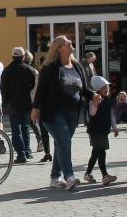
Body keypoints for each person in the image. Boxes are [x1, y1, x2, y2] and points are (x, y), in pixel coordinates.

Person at [32, 35, 94, 191]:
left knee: (61, 144)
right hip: (53, 113)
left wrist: (94, 95)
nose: (71, 42)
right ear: (59, 48)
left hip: (73, 113)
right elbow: (41, 90)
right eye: (67, 42)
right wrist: (35, 108)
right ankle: (69, 177)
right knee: (65, 141)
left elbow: (84, 89)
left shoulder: (77, 66)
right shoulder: (50, 68)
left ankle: (55, 177)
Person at [0, 47, 37, 163]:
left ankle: (21, 154)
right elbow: (33, 86)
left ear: (12, 56)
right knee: (25, 127)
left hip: (13, 104)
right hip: (26, 103)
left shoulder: (7, 70)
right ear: (24, 57)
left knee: (16, 130)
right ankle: (27, 151)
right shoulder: (29, 70)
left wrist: (5, 102)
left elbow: (3, 88)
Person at [84, 76, 119, 186]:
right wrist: (95, 104)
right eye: (104, 88)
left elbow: (111, 115)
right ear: (98, 90)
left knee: (95, 152)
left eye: (107, 87)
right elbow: (92, 113)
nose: (107, 89)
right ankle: (105, 176)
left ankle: (87, 174)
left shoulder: (108, 100)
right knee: (101, 152)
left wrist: (114, 126)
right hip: (95, 130)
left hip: (104, 130)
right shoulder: (93, 99)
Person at [27, 50, 52, 162]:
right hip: (43, 104)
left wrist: (35, 107)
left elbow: (39, 91)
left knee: (45, 129)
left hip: (44, 105)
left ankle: (48, 153)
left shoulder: (42, 73)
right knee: (43, 129)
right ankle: (47, 153)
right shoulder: (40, 73)